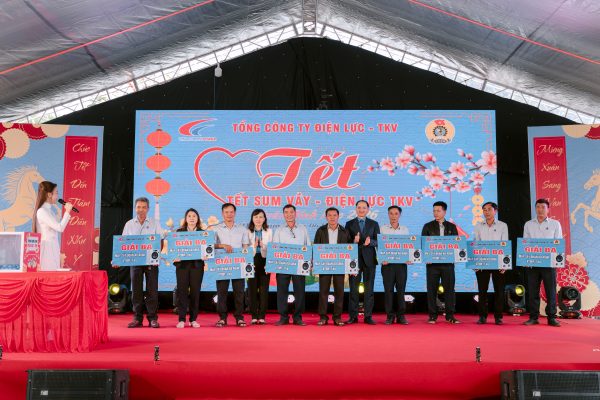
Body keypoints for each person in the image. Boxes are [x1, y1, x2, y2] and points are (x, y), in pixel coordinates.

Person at [115, 197, 164, 328]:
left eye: (143, 207)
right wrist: (118, 259)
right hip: (135, 261)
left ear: (148, 209)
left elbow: (160, 241)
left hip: (151, 262)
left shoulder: (155, 223)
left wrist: (156, 257)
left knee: (152, 290)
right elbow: (123, 244)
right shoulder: (129, 224)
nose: (141, 210)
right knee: (136, 290)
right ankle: (137, 318)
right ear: (135, 208)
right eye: (138, 207)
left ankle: (152, 318)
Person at [523, 198, 562, 327]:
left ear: (548, 209)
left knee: (550, 291)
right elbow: (525, 243)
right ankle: (533, 317)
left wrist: (557, 261)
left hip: (549, 263)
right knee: (532, 291)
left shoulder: (555, 224)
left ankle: (552, 317)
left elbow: (558, 242)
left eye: (543, 207)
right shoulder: (528, 224)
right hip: (533, 263)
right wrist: (526, 259)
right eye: (538, 207)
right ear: (535, 208)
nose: (540, 210)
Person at [421, 201, 460, 324]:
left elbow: (457, 244)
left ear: (444, 212)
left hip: (448, 264)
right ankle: (432, 316)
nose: (435, 213)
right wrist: (426, 257)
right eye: (434, 210)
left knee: (450, 290)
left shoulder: (452, 227)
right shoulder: (427, 226)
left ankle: (450, 315)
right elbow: (423, 244)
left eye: (438, 210)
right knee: (431, 290)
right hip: (432, 264)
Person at [272, 204, 311, 326]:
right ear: (283, 214)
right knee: (281, 292)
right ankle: (283, 317)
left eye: (291, 212)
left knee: (300, 291)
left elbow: (308, 246)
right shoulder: (279, 230)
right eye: (286, 212)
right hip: (283, 265)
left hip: (299, 265)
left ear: (295, 213)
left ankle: (298, 317)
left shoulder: (303, 229)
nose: (289, 214)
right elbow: (275, 248)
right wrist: (273, 265)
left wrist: (309, 262)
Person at [313, 207, 352, 326]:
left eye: (334, 215)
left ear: (338, 216)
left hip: (339, 266)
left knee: (339, 292)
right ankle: (323, 317)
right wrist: (315, 264)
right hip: (324, 265)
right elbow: (316, 248)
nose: (332, 217)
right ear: (326, 217)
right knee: (323, 292)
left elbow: (349, 250)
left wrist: (351, 267)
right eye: (329, 215)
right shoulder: (320, 230)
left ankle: (337, 317)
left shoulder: (345, 231)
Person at [214, 203, 250, 327]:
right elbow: (210, 245)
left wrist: (247, 263)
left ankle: (239, 317)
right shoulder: (216, 228)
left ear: (235, 213)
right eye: (226, 212)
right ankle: (222, 318)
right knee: (221, 292)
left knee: (239, 292)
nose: (229, 214)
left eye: (231, 212)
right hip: (222, 264)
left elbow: (245, 247)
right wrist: (222, 245)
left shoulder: (242, 229)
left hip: (238, 264)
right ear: (222, 213)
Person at [473, 202, 509, 325]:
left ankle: (498, 317)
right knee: (482, 291)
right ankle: (482, 316)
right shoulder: (478, 226)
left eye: (489, 209)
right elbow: (475, 244)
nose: (486, 212)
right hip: (482, 263)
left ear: (495, 211)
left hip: (498, 263)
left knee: (499, 291)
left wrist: (504, 264)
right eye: (484, 209)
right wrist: (475, 263)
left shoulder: (503, 226)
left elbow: (505, 244)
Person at [345, 200, 380, 325]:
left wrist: (370, 242)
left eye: (364, 208)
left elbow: (378, 241)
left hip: (370, 260)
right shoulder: (349, 224)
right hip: (354, 261)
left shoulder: (374, 224)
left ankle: (368, 316)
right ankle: (353, 316)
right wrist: (354, 242)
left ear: (368, 209)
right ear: (356, 209)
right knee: (353, 289)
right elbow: (346, 243)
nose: (361, 210)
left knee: (369, 289)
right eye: (359, 207)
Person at [173, 208, 205, 328]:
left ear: (198, 219)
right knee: (182, 292)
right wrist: (174, 257)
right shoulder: (179, 232)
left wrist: (207, 255)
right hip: (182, 266)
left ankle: (193, 319)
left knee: (195, 293)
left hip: (197, 266)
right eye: (189, 216)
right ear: (186, 219)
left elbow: (207, 249)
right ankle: (181, 319)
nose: (192, 218)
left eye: (194, 216)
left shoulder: (203, 233)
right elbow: (173, 249)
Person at [31, 181, 73, 271]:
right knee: (49, 275)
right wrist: (67, 212)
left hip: (53, 248)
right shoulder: (42, 211)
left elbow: (55, 226)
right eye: (56, 193)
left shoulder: (49, 211)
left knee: (54, 273)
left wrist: (60, 213)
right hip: (47, 250)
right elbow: (60, 228)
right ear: (49, 195)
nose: (57, 196)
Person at [380, 205, 410, 325]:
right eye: (391, 213)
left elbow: (409, 245)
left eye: (396, 214)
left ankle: (401, 316)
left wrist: (409, 257)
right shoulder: (382, 229)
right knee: (388, 291)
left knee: (401, 290)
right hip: (387, 265)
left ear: (400, 215)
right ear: (388, 215)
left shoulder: (405, 230)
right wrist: (381, 258)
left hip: (401, 265)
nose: (393, 216)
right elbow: (379, 246)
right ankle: (390, 316)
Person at [247, 209, 272, 325]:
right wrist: (253, 246)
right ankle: (253, 315)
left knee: (264, 290)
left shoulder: (269, 231)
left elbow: (272, 248)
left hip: (265, 261)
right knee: (252, 290)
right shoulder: (247, 231)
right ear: (252, 219)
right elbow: (244, 248)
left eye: (261, 217)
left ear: (264, 219)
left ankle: (262, 316)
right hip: (251, 261)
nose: (258, 219)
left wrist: (263, 245)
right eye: (256, 217)